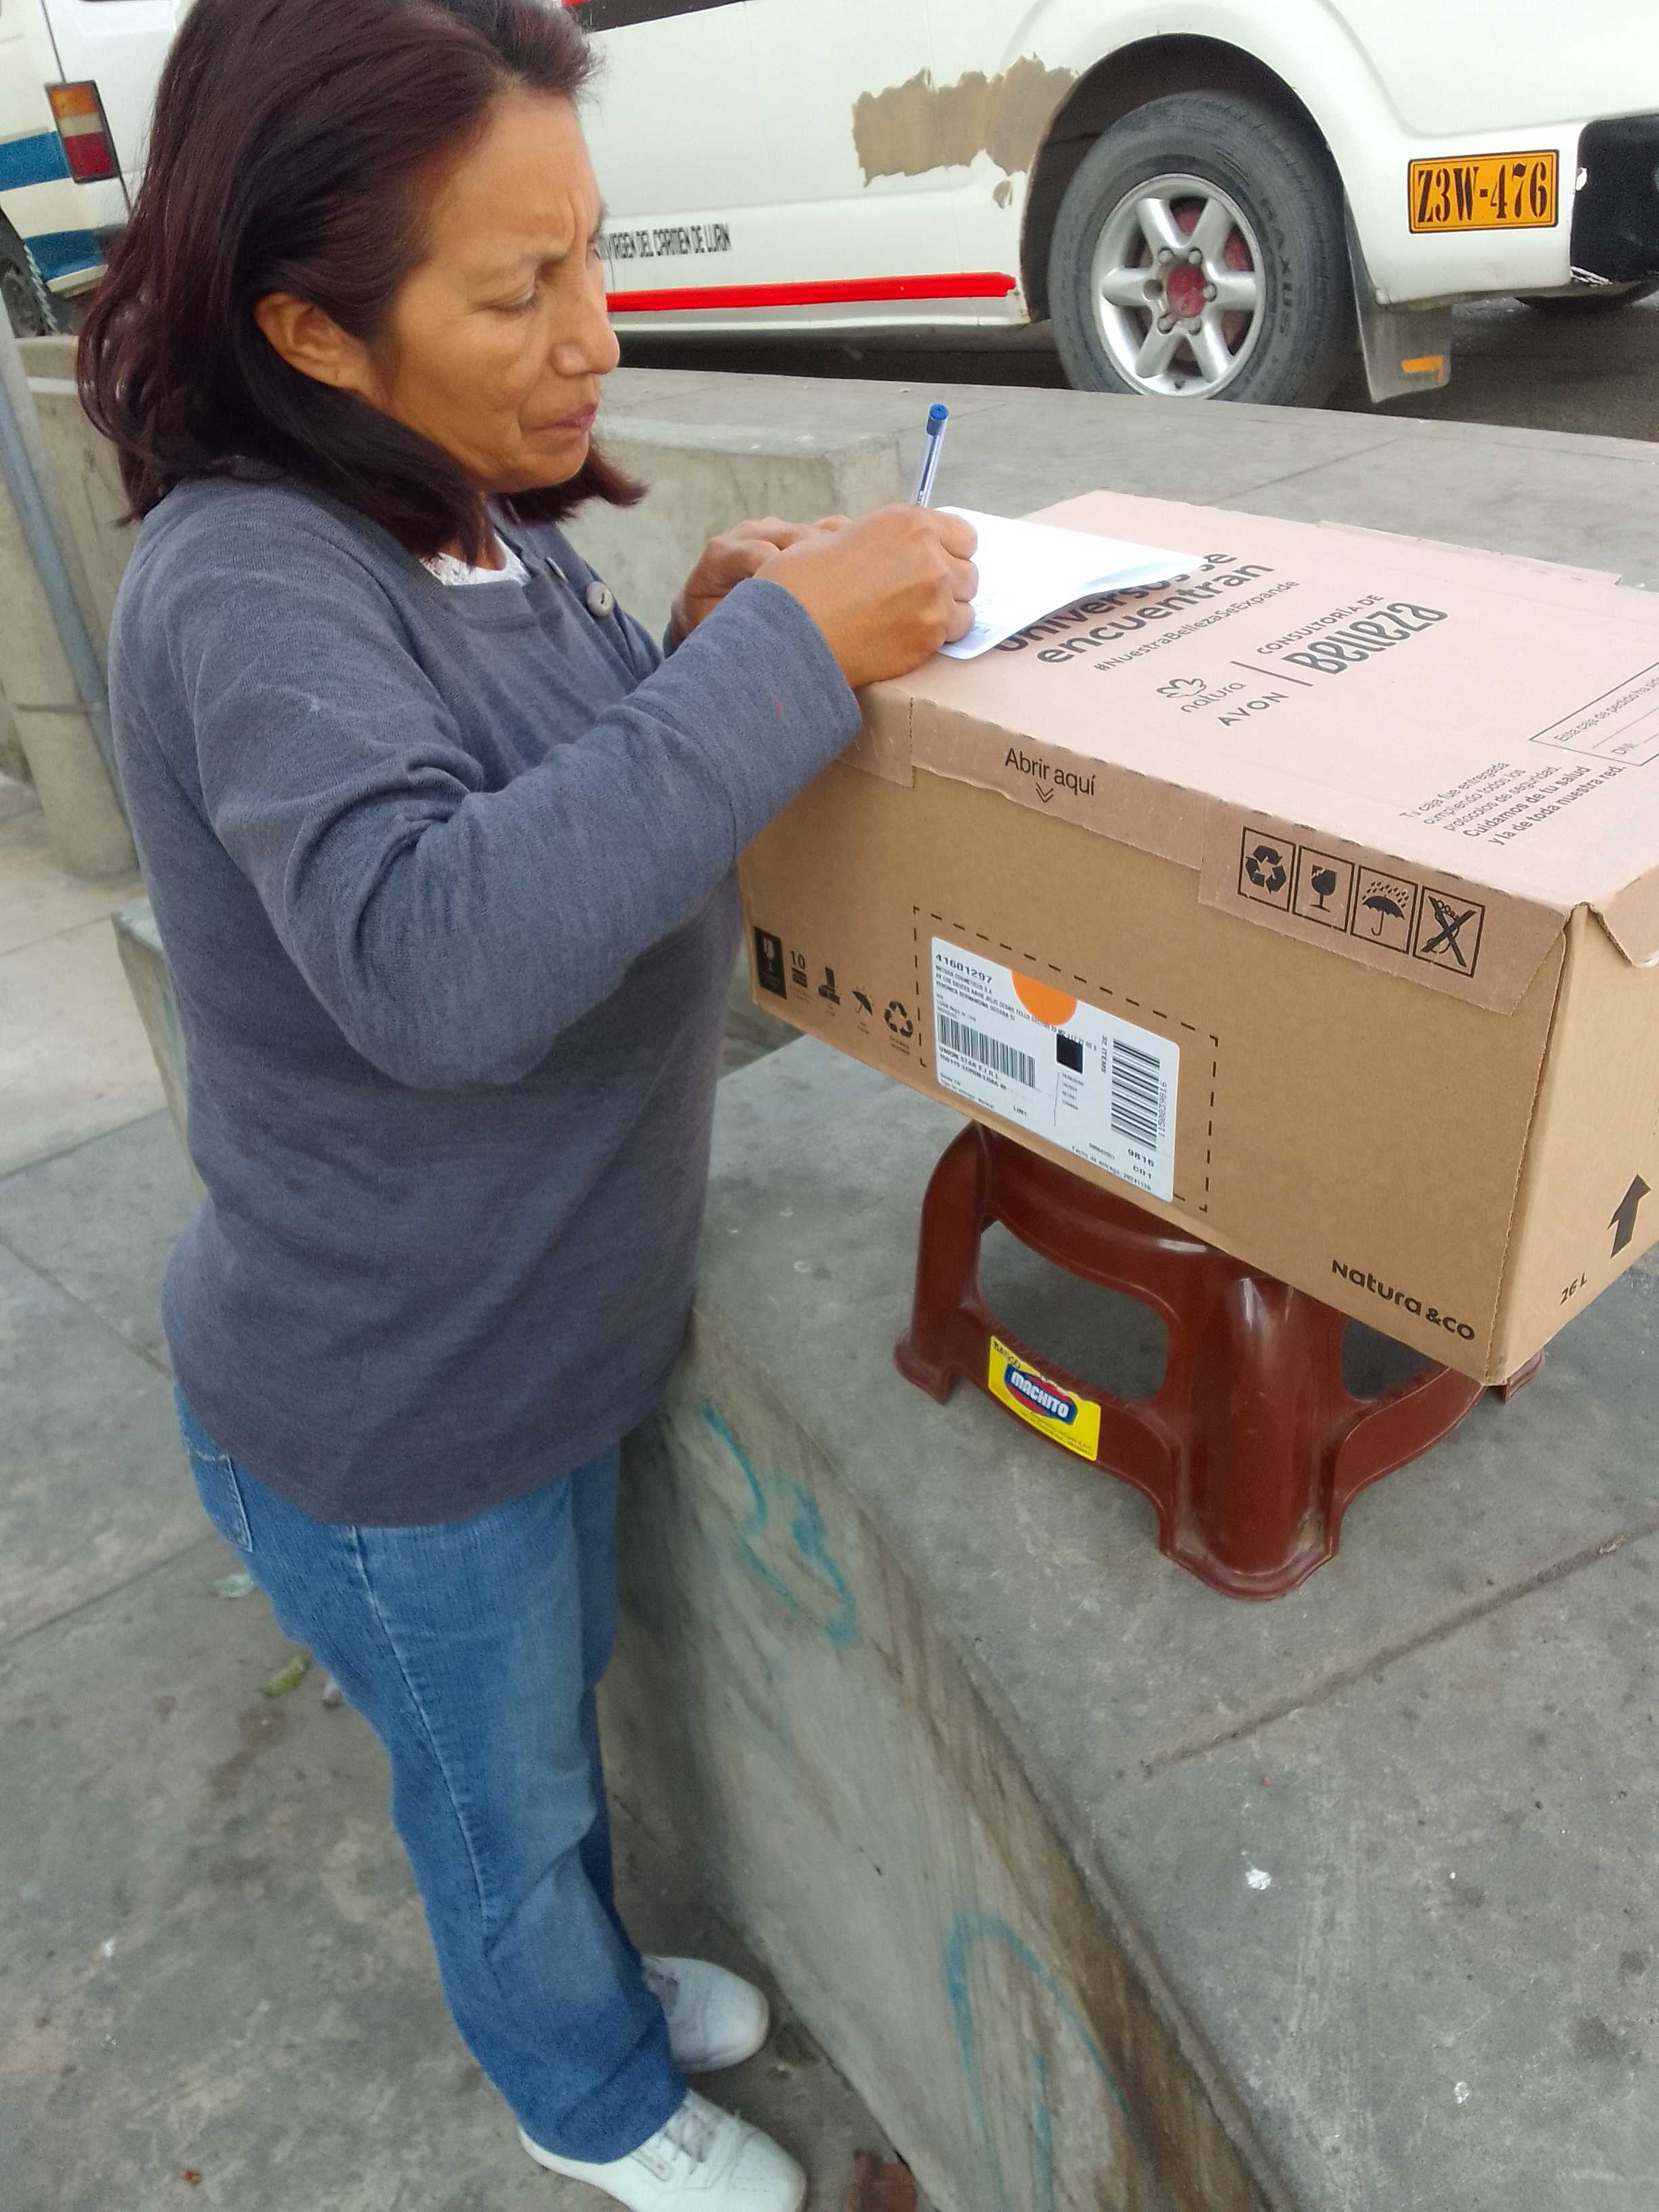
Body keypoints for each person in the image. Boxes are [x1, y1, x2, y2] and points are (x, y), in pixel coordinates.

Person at [79, 1, 975, 2206]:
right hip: (397, 1416)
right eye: (515, 292)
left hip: (535, 1355)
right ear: (311, 326)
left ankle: (583, 1970)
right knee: (501, 1807)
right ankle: (580, 2090)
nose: (594, 338)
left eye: (592, 255)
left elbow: (541, 800)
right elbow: (439, 956)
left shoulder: (461, 508)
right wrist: (781, 667)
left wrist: (696, 639)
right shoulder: (251, 580)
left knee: (549, 1732)